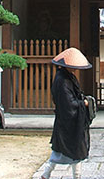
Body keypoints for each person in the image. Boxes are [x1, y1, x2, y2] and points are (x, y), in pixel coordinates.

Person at [40, 47, 93, 179]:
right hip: (68, 121)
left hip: (69, 121)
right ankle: (48, 174)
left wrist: (81, 100)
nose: (75, 68)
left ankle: (47, 174)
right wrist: (83, 104)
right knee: (70, 150)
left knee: (62, 151)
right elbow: (68, 104)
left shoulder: (67, 76)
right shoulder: (62, 80)